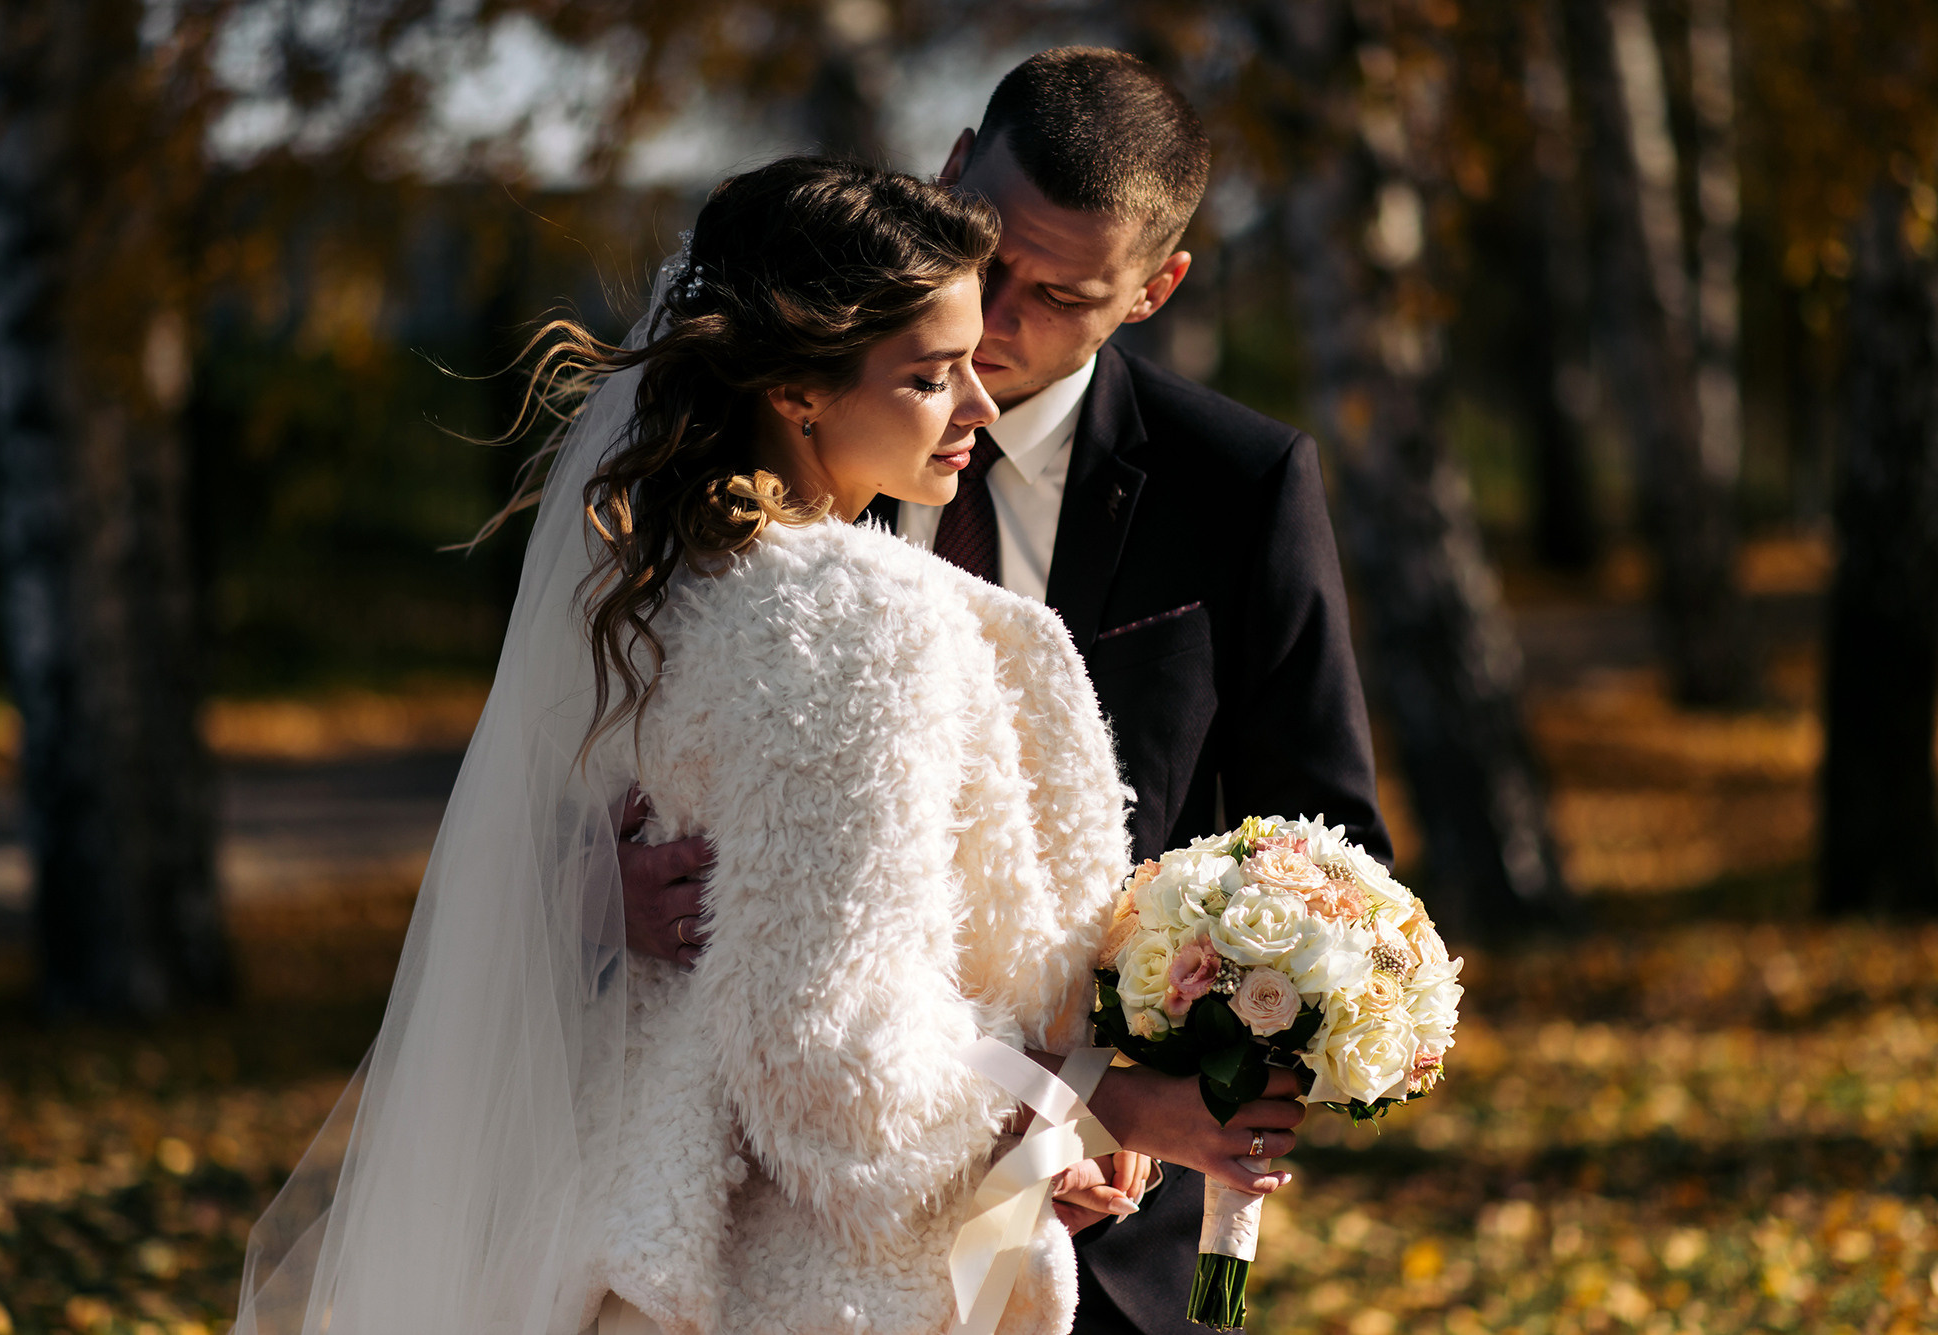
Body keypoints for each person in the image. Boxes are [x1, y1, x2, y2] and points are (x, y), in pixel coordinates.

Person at [235, 157, 1299, 1335]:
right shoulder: (860, 621)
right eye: (930, 377)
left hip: (633, 1223)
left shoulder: (660, 579)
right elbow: (826, 1058)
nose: (978, 407)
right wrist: (1101, 1107)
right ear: (798, 389)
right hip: (799, 1282)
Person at [621, 50, 1392, 1335]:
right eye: (984, 258)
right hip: (779, 1214)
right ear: (948, 169)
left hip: (1102, 1240)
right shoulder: (761, 472)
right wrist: (591, 889)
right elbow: (576, 770)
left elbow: (1319, 858)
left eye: (1060, 292)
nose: (994, 317)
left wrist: (1153, 1088)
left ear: (1153, 289)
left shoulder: (1236, 488)